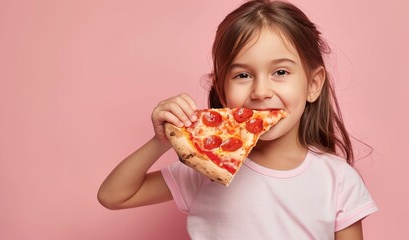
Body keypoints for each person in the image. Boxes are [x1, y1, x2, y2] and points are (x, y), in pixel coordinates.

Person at [97, 0, 378, 239]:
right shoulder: (206, 167)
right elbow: (113, 196)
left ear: (313, 85)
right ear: (221, 89)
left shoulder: (338, 180)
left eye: (280, 72)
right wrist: (162, 141)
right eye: (243, 75)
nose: (260, 92)